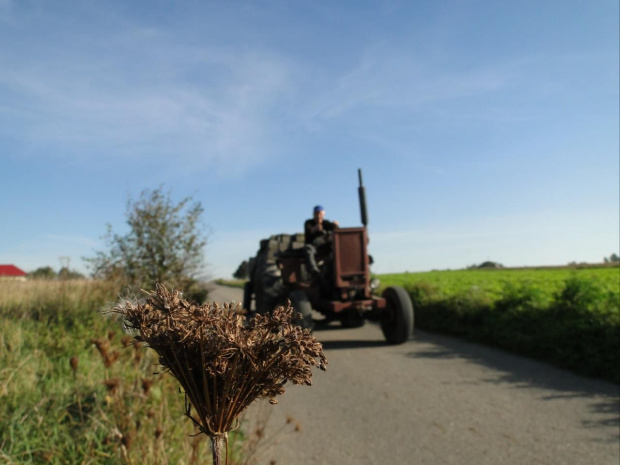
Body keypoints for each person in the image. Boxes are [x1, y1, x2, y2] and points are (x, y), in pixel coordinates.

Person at [304, 205, 339, 276]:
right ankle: (314, 272)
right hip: (313, 246)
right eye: (317, 214)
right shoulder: (308, 222)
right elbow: (309, 230)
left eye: (320, 214)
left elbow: (336, 230)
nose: (319, 216)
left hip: (325, 247)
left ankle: (335, 270)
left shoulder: (326, 223)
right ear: (313, 214)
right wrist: (314, 229)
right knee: (308, 249)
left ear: (323, 214)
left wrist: (336, 226)